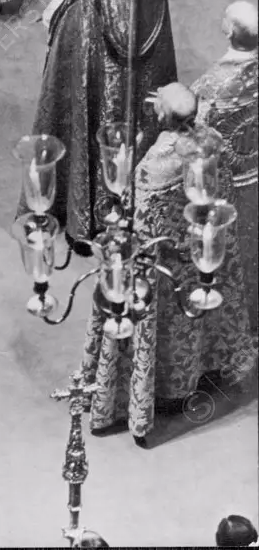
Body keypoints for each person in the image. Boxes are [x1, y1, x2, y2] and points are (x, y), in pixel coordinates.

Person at [82, 84, 256, 441]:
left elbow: (136, 215)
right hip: (202, 255)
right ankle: (204, 370)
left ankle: (145, 398)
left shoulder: (157, 166)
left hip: (163, 268)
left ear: (162, 114)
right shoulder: (211, 143)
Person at [28, 0, 177, 247]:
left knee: (94, 128)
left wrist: (55, 14)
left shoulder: (86, 1)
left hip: (103, 90)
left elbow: (68, 55)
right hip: (140, 85)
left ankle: (93, 212)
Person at [192, 1, 258, 330]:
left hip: (228, 181)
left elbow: (195, 132)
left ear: (230, 31)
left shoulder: (213, 86)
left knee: (229, 247)